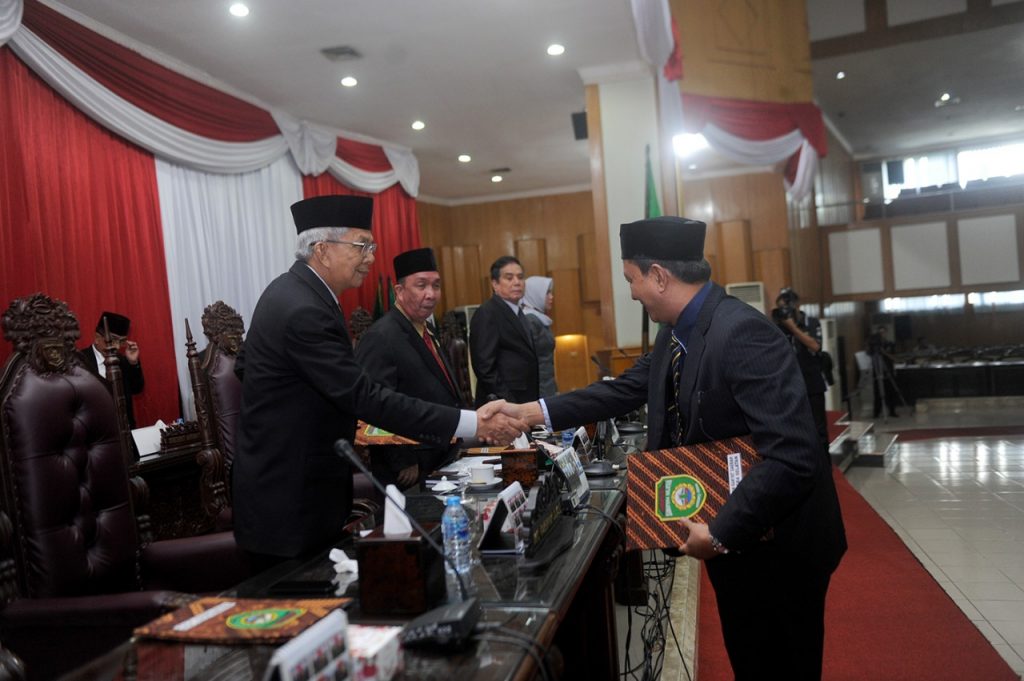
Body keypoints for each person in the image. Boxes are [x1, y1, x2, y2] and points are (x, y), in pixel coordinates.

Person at [501, 216, 847, 681]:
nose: (631, 292)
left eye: (632, 279)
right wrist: (530, 413)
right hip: (740, 535)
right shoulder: (679, 330)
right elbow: (624, 390)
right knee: (750, 661)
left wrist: (721, 531)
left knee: (779, 668)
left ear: (659, 275)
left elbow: (793, 456)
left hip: (779, 549)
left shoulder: (742, 332)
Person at [232, 195, 526, 563]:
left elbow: (248, 367)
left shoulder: (291, 291)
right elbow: (365, 396)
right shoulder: (303, 308)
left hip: (301, 481)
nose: (371, 257)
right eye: (361, 246)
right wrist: (471, 422)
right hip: (289, 492)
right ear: (322, 250)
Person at [355, 247, 468, 489]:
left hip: (439, 457)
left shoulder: (425, 329)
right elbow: (373, 405)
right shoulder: (381, 336)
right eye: (421, 285)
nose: (431, 294)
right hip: (409, 469)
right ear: (399, 291)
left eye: (436, 286)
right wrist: (402, 460)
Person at [469, 255, 539, 406]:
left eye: (520, 277)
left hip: (525, 399)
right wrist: (508, 401)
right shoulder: (487, 313)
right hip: (503, 404)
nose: (517, 282)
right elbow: (484, 368)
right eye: (509, 278)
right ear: (495, 284)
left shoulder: (518, 311)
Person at [772, 287, 830, 463]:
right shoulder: (778, 326)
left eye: (787, 307)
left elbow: (815, 346)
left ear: (797, 305)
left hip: (812, 383)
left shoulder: (811, 322)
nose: (784, 312)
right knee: (794, 430)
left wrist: (794, 329)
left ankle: (824, 466)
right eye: (781, 308)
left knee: (819, 429)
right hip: (788, 385)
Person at [76, 311, 144, 429]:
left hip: (124, 430)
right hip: (93, 432)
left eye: (121, 341)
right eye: (112, 340)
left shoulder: (122, 360)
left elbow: (137, 389)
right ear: (97, 338)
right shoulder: (79, 361)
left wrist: (133, 362)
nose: (117, 347)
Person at [522, 275, 558, 397]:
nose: (551, 297)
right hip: (538, 390)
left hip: (547, 385)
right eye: (547, 293)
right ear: (535, 294)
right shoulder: (530, 320)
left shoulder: (540, 319)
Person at [867, 325, 900, 418]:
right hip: (877, 370)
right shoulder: (874, 345)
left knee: (891, 391)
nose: (882, 334)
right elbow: (868, 353)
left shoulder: (890, 344)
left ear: (886, 333)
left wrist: (884, 352)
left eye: (883, 332)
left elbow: (894, 357)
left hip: (888, 369)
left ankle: (892, 411)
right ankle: (876, 412)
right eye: (880, 332)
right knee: (878, 392)